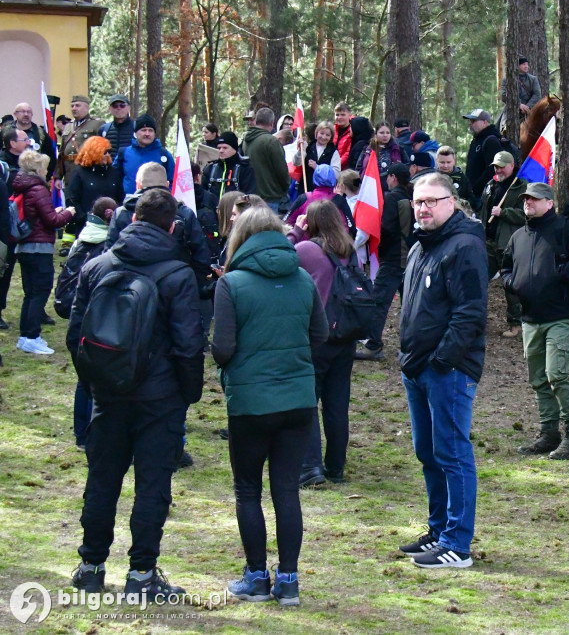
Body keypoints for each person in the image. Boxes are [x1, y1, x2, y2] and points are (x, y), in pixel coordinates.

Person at [68, 188, 204, 597]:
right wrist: (187, 393)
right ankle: (141, 575)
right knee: (152, 486)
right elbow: (189, 345)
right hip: (159, 399)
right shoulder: (178, 275)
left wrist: (95, 382)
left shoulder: (97, 266)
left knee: (102, 479)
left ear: (131, 219)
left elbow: (77, 335)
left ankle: (91, 566)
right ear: (173, 227)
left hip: (108, 393)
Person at [211, 205, 325, 603]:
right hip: (297, 400)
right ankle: (289, 580)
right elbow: (320, 335)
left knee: (248, 491)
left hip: (251, 402)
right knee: (286, 491)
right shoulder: (302, 279)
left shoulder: (232, 284)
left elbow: (222, 348)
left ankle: (257, 577)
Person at [398, 172, 488, 569]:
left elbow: (470, 313)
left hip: (447, 370)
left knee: (452, 452)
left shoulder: (465, 245)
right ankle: (438, 530)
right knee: (427, 452)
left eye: (432, 201)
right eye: (419, 202)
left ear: (451, 202)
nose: (424, 208)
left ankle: (457, 543)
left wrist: (442, 360)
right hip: (415, 367)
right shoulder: (421, 245)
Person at [502, 182, 569, 459]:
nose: (528, 203)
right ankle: (549, 433)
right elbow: (506, 266)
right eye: (525, 199)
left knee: (557, 374)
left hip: (562, 315)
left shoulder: (567, 228)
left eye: (534, 199)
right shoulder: (519, 236)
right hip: (530, 317)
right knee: (538, 378)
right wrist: (513, 282)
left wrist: (563, 273)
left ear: (549, 203)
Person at [281, 201, 358, 490]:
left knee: (307, 401)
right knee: (337, 404)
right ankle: (336, 465)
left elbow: (278, 258)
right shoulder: (349, 251)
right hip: (345, 335)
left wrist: (295, 233)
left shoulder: (307, 250)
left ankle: (310, 467)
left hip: (316, 335)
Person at [57, 196, 117, 447]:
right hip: (95, 320)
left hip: (77, 318)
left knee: (83, 380)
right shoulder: (106, 249)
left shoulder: (81, 239)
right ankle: (93, 433)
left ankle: (81, 433)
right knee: (95, 382)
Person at [10, 149, 76, 355]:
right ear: (38, 168)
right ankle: (32, 336)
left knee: (30, 293)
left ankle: (25, 336)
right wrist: (67, 213)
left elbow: (38, 215)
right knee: (40, 291)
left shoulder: (21, 186)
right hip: (39, 248)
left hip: (24, 246)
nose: (48, 172)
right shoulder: (38, 189)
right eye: (46, 167)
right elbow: (51, 221)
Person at [358, 163, 414, 361]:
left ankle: (373, 345)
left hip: (393, 259)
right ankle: (411, 347)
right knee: (411, 305)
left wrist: (380, 252)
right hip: (410, 259)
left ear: (393, 177)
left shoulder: (393, 198)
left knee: (378, 302)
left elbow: (387, 230)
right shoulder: (411, 196)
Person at [480, 150, 526, 337]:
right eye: (495, 166)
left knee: (511, 285)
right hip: (487, 241)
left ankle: (516, 324)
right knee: (478, 280)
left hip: (508, 243)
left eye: (501, 166)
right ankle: (475, 320)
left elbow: (525, 215)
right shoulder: (490, 185)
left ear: (512, 166)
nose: (498, 170)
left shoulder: (521, 188)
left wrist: (504, 212)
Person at [0, 126, 31, 331]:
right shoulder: (3, 167)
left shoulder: (27, 163)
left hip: (25, 227)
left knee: (27, 270)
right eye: (24, 139)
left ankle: (35, 308)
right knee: (4, 270)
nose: (28, 142)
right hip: (6, 228)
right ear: (12, 143)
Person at [65, 135, 125, 235]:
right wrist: (84, 219)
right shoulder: (79, 173)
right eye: (104, 152)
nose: (107, 155)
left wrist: (115, 217)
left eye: (108, 152)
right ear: (94, 153)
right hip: (86, 226)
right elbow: (72, 199)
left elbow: (121, 197)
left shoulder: (113, 172)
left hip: (111, 225)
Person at [242, 107, 290, 212]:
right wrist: (285, 188)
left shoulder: (245, 140)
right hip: (269, 197)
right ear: (272, 123)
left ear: (256, 120)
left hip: (251, 196)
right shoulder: (271, 142)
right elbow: (281, 170)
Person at [113, 114, 174, 197]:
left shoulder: (164, 155)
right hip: (129, 204)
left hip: (157, 205)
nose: (147, 134)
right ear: (136, 133)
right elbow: (114, 179)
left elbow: (173, 181)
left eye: (150, 130)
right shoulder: (123, 153)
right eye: (143, 130)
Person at [58, 95, 105, 182]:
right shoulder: (68, 126)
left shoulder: (97, 124)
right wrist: (58, 176)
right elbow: (61, 153)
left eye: (77, 105)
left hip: (88, 172)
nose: (74, 108)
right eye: (72, 106)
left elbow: (102, 150)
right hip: (69, 173)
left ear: (87, 108)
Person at [463, 109, 505, 200]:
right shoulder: (476, 140)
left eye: (473, 121)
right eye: (470, 121)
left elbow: (492, 170)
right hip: (473, 194)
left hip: (484, 195)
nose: (470, 124)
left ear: (485, 122)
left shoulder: (491, 140)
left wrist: (476, 189)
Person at [11, 102, 57, 178]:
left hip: (34, 178)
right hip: (10, 176)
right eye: (22, 111)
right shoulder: (6, 132)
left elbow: (51, 157)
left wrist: (46, 177)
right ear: (15, 114)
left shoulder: (40, 133)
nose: (26, 114)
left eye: (28, 112)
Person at [202, 132, 242, 197]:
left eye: (225, 148)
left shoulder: (244, 169)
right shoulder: (210, 169)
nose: (221, 151)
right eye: (219, 148)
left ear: (234, 149)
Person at [332, 102, 354, 168]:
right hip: (330, 166)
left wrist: (336, 165)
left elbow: (348, 153)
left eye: (343, 115)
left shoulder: (353, 131)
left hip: (344, 169)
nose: (339, 117)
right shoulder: (332, 129)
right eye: (337, 115)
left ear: (349, 115)